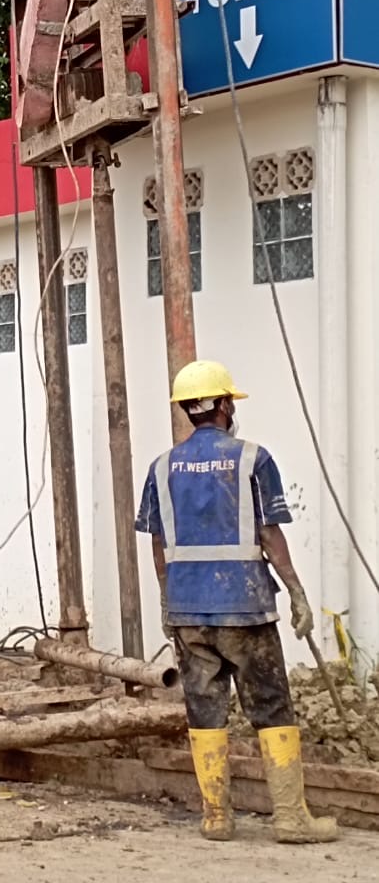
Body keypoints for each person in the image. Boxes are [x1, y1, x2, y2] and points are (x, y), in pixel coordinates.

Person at [136, 359, 337, 845]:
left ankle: (216, 817)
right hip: (244, 606)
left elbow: (159, 544)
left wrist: (165, 600)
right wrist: (296, 591)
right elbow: (269, 534)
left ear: (187, 409)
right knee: (271, 705)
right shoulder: (252, 459)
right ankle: (290, 818)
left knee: (204, 709)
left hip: (188, 611)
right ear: (224, 404)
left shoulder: (161, 468)